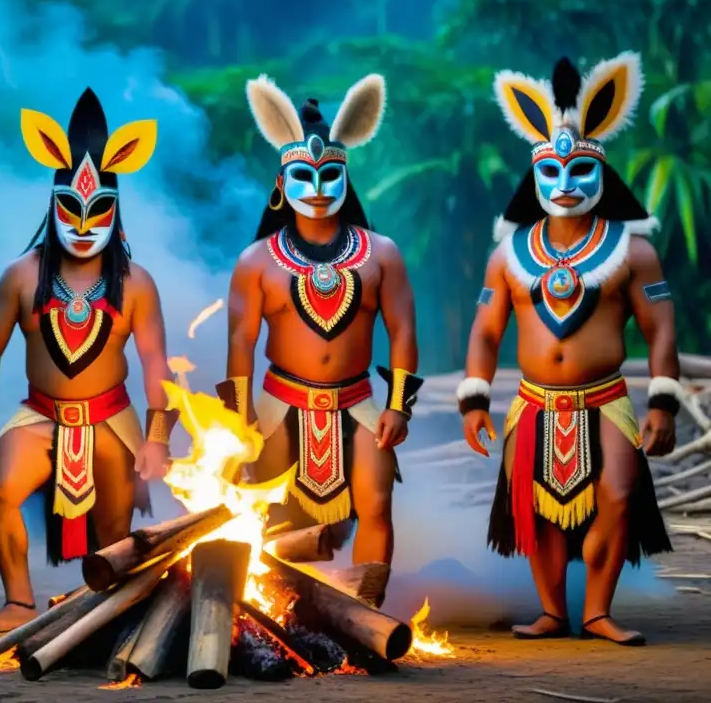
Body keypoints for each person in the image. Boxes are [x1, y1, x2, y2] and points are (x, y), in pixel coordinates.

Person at [458, 52, 678, 646]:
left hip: (606, 399)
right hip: (533, 402)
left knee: (618, 492)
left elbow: (660, 330)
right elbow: (485, 331)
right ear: (532, 176)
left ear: (603, 173)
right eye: (550, 171)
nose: (564, 183)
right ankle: (554, 612)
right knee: (538, 506)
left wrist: (663, 404)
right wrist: (473, 399)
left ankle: (599, 611)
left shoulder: (633, 252)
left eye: (579, 169)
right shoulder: (507, 256)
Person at [0, 88, 177, 634]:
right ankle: (18, 603)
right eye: (70, 210)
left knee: (115, 527)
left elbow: (157, 366)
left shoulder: (138, 283)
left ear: (116, 211)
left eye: (97, 210)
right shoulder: (20, 274)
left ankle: (104, 610)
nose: (82, 223)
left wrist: (157, 438)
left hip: (112, 418)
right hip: (40, 415)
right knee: (0, 487)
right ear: (52, 208)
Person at [218, 74, 422, 607]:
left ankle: (365, 614)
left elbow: (402, 332)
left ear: (345, 178)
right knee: (270, 509)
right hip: (279, 400)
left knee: (376, 505)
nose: (317, 188)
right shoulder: (256, 260)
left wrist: (399, 406)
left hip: (358, 403)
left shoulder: (382, 253)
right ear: (282, 185)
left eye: (330, 174)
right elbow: (240, 343)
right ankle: (279, 612)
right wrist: (237, 421)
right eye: (303, 176)